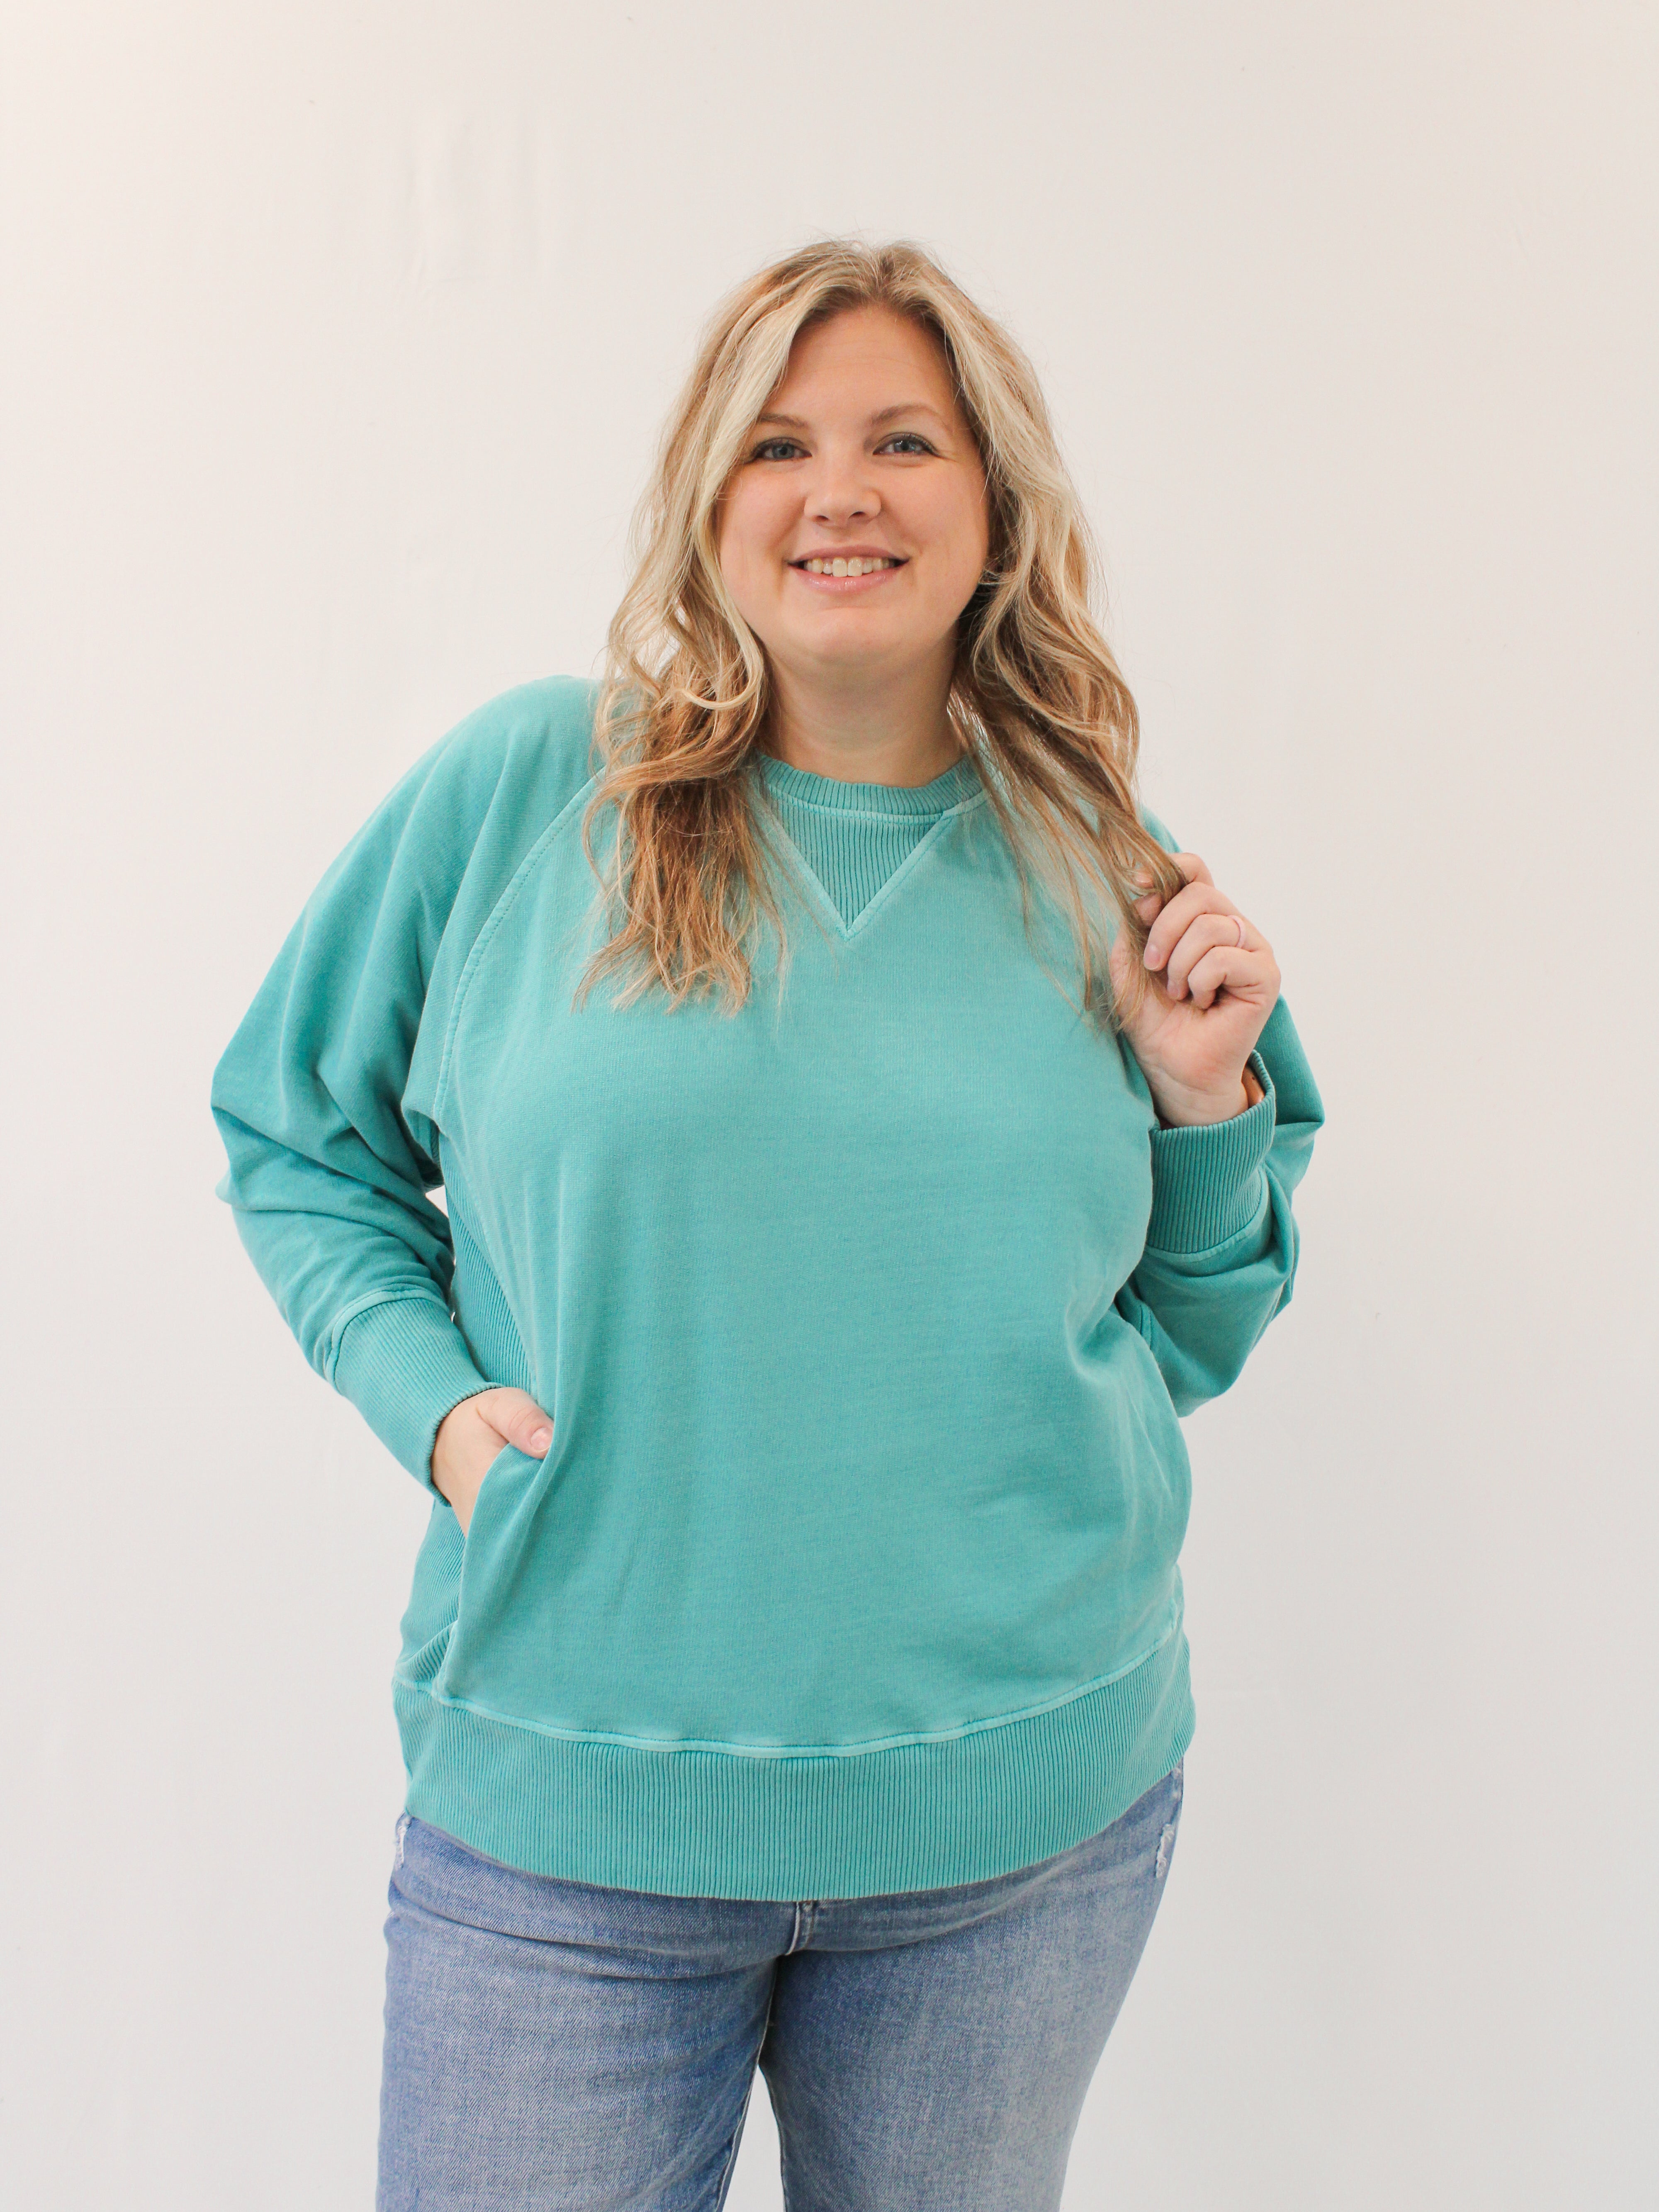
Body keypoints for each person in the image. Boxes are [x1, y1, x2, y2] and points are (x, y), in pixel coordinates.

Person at [211, 237, 1324, 2211]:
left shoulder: (1106, 859)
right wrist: (439, 1411)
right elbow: (295, 1134)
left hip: (1015, 1827)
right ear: (708, 496)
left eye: (903, 440)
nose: (840, 493)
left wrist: (1198, 1105)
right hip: (568, 1819)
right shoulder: (528, 792)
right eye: (779, 443)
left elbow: (1192, 1328)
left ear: (993, 503)